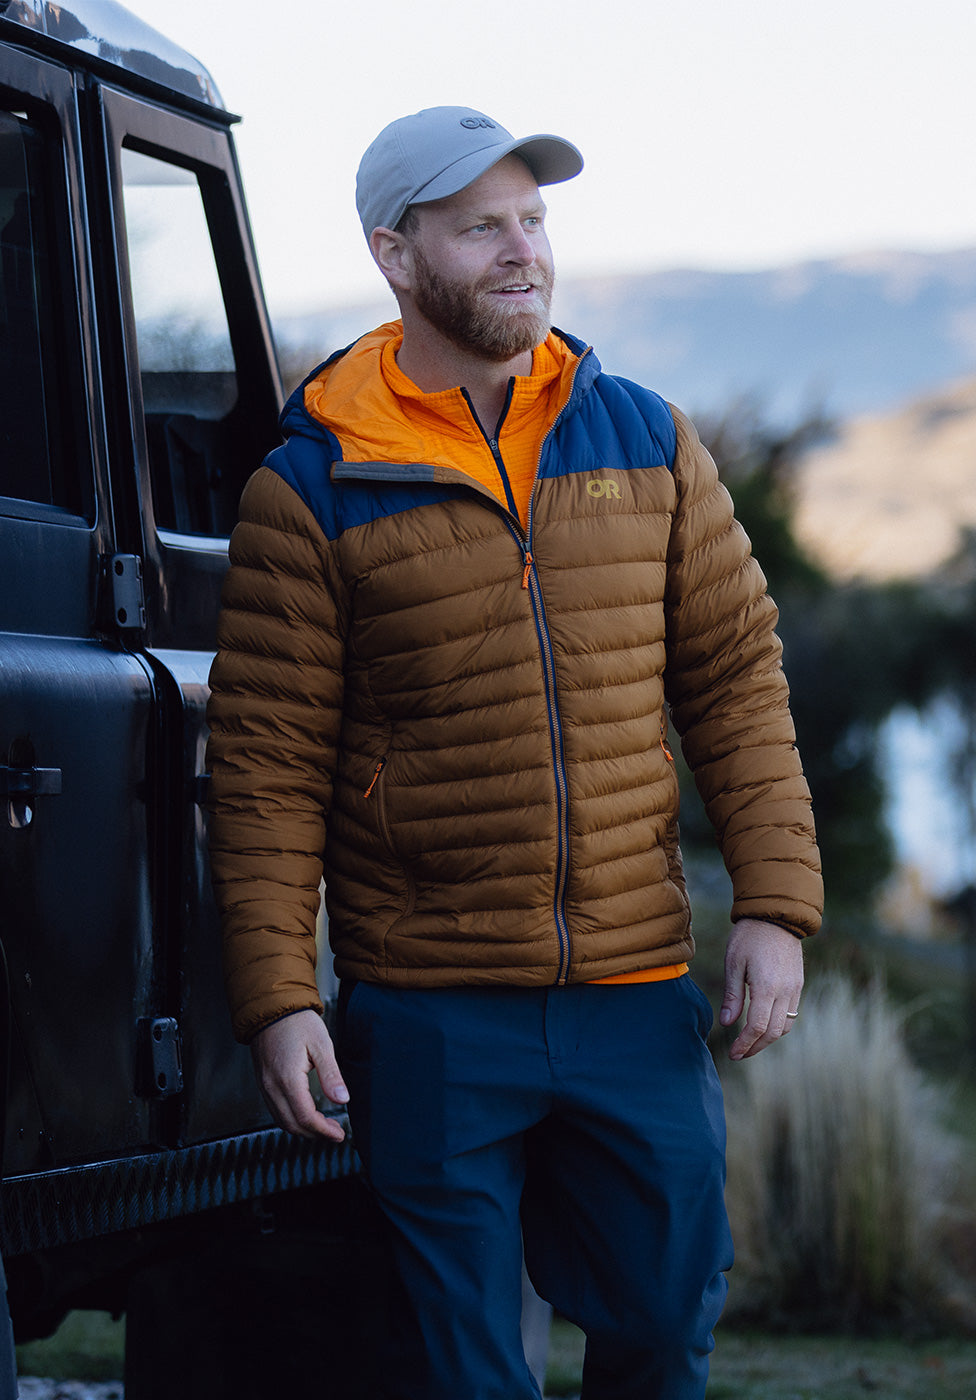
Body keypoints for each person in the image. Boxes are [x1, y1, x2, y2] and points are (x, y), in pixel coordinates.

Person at [206, 106, 823, 1400]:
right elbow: (267, 763)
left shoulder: (643, 439)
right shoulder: (314, 483)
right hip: (429, 1012)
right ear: (395, 252)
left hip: (634, 989)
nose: (521, 249)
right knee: (463, 1369)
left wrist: (774, 905)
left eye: (533, 218)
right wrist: (280, 997)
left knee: (663, 1325)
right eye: (479, 224)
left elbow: (733, 680)